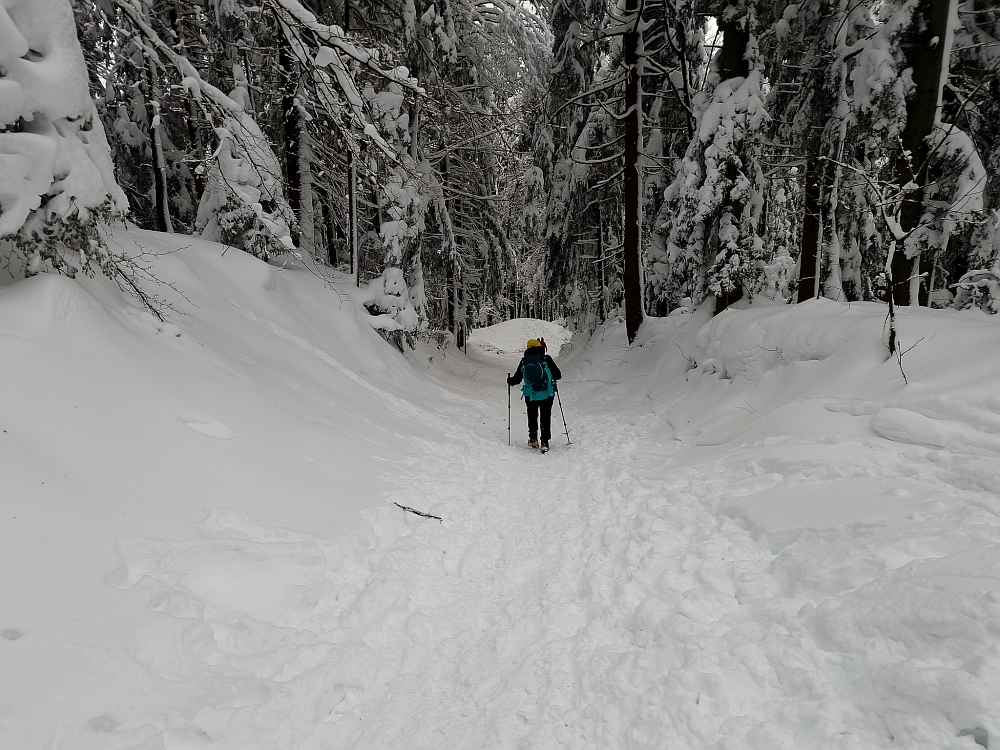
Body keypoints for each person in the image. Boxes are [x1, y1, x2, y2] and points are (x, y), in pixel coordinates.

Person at [507, 338, 562, 452]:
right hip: (547, 393)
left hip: (530, 394)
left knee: (532, 415)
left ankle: (533, 438)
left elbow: (517, 379)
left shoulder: (524, 361)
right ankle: (545, 442)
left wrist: (509, 380)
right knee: (545, 416)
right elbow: (558, 375)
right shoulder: (546, 359)